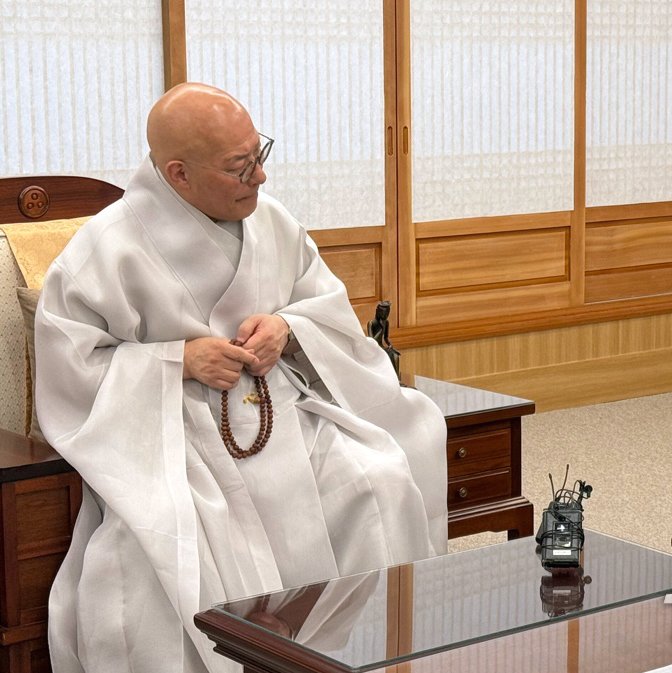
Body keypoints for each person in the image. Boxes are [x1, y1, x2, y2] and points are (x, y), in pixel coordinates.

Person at [34, 83, 448, 672]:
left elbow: (326, 307)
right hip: (173, 432)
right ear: (178, 174)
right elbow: (70, 368)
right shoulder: (105, 248)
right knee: (171, 555)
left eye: (260, 154)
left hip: (285, 409)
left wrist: (288, 327)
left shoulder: (272, 223)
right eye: (240, 167)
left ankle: (353, 656)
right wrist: (176, 359)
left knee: (380, 477)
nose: (260, 178)